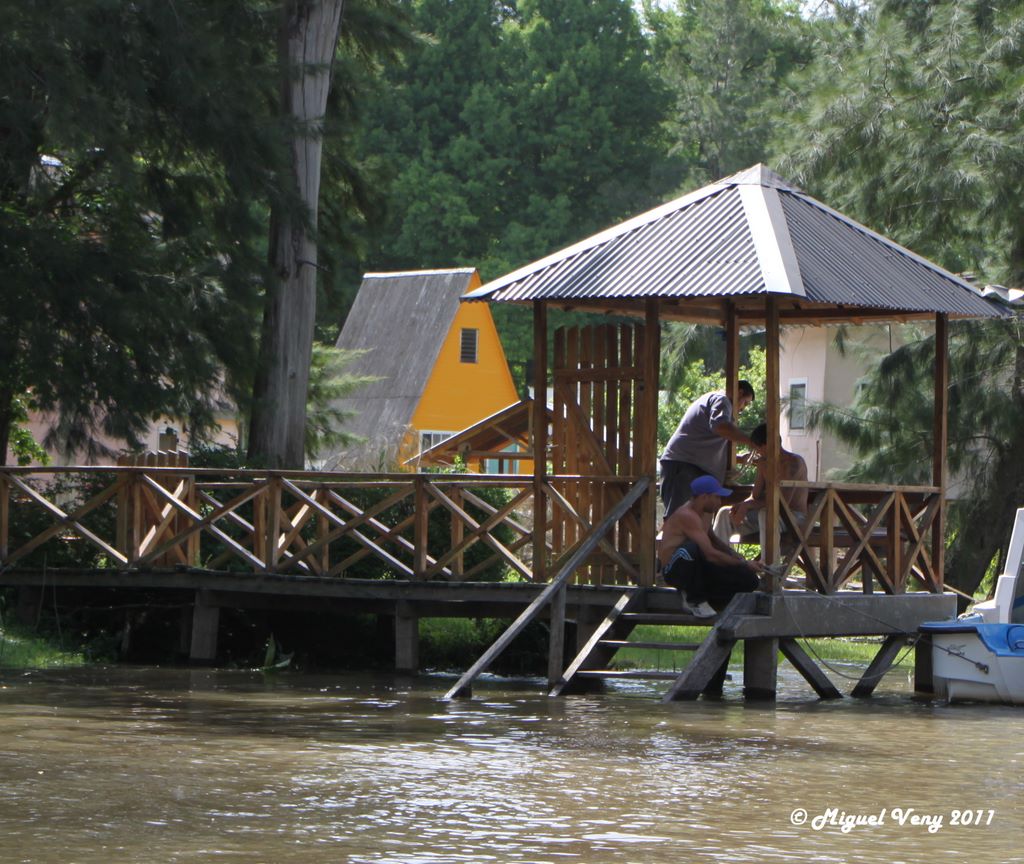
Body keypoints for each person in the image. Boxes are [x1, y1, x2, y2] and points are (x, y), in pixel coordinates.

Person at [657, 474, 764, 619]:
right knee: (691, 548)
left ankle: (711, 600)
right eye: (717, 497)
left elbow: (712, 538)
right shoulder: (686, 515)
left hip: (699, 567)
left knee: (750, 580)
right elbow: (710, 554)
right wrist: (744, 563)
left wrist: (734, 555)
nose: (720, 502)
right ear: (704, 497)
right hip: (674, 570)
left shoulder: (706, 513)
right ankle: (693, 599)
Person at [659, 381, 759, 518]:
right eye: (745, 403)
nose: (743, 408)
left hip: (685, 464)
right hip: (683, 466)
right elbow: (720, 427)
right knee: (678, 518)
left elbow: (707, 446)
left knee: (689, 519)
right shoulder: (722, 400)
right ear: (740, 393)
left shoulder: (715, 400)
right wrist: (752, 442)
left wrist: (740, 458)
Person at [712, 423, 809, 552]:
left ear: (767, 445)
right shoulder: (763, 463)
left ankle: (769, 565)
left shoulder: (794, 463)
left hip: (794, 517)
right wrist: (741, 506)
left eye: (757, 448)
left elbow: (782, 503)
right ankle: (721, 563)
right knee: (724, 513)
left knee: (766, 514)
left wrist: (749, 506)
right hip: (767, 515)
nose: (756, 452)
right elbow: (755, 495)